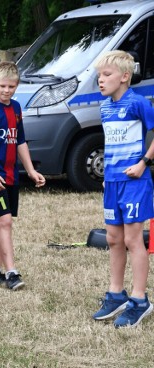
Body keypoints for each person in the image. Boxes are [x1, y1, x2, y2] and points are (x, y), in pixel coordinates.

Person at [0, 61, 46, 291]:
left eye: (12, 86)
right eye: (3, 85)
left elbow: (20, 140)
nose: (7, 90)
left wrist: (31, 170)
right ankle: (11, 272)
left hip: (11, 175)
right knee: (4, 222)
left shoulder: (16, 108)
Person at [92, 50, 154, 328]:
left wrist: (143, 163)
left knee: (132, 240)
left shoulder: (138, 103)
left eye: (106, 75)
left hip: (135, 183)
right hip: (113, 183)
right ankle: (116, 294)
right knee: (114, 239)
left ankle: (140, 300)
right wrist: (107, 174)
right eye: (99, 76)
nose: (101, 81)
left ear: (125, 77)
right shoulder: (104, 107)